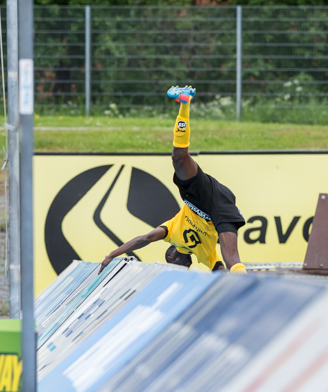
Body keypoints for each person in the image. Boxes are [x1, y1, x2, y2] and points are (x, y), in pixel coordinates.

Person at [99, 85, 247, 274]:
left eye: (170, 263)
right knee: (232, 260)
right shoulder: (205, 256)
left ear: (170, 256)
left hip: (200, 198)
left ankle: (184, 104)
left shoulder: (170, 232)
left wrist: (113, 254)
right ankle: (247, 292)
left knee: (179, 158)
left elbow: (144, 239)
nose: (174, 265)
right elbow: (220, 272)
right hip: (221, 208)